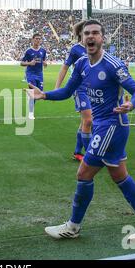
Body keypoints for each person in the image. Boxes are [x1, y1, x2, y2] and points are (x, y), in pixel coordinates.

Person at [27, 20, 135, 241]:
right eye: (87, 33)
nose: (91, 36)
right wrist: (44, 95)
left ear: (102, 38)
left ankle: (73, 227)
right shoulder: (81, 64)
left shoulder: (113, 65)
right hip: (103, 125)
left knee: (84, 173)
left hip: (112, 125)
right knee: (119, 175)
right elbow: (68, 91)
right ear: (82, 39)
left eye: (95, 33)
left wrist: (131, 104)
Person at [55, 21, 91, 162]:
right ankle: (90, 155)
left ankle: (77, 152)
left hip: (92, 88)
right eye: (86, 31)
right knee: (88, 120)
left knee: (85, 122)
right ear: (81, 33)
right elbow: (65, 67)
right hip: (79, 88)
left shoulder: (95, 48)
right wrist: (57, 87)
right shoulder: (76, 49)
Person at [21, 33, 47, 120]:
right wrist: (29, 63)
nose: (38, 40)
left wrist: (45, 63)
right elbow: (21, 63)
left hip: (40, 74)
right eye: (36, 39)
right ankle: (31, 113)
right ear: (32, 40)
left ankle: (30, 100)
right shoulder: (28, 51)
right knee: (33, 92)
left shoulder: (43, 51)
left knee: (39, 93)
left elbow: (43, 60)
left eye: (39, 39)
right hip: (31, 74)